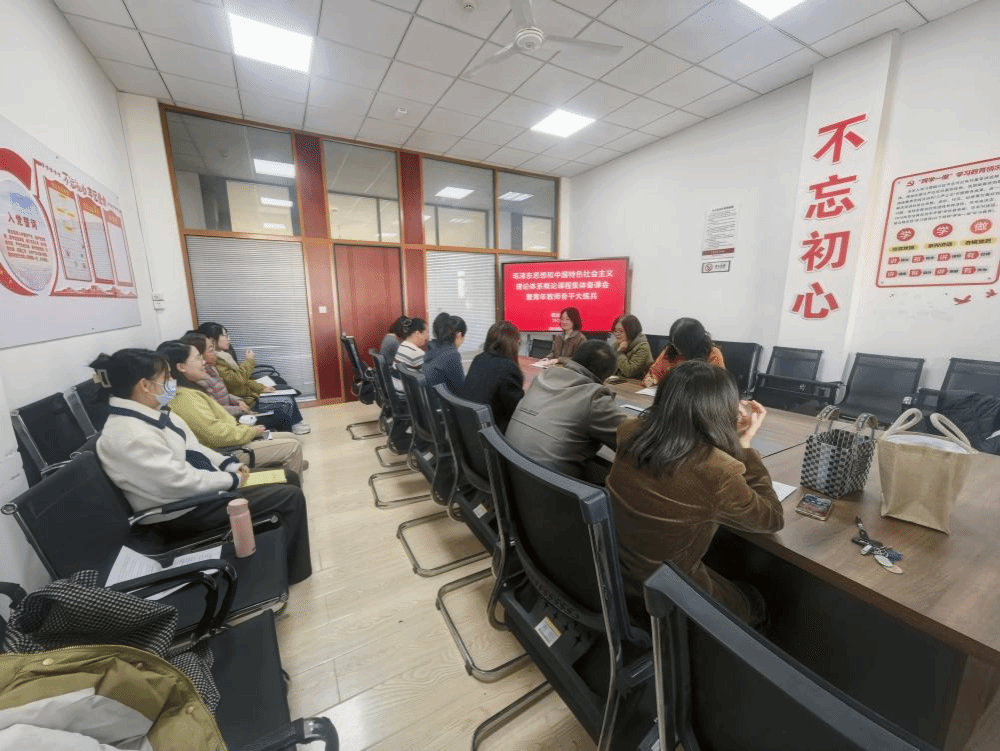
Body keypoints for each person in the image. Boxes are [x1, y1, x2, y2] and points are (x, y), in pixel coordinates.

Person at [90, 348, 312, 584]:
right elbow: (180, 482)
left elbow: (194, 447)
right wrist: (232, 480)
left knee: (286, 476)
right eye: (167, 377)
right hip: (183, 512)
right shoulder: (129, 434)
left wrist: (228, 464)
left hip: (201, 490)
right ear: (145, 385)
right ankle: (292, 574)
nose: (173, 382)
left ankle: (277, 556)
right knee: (289, 497)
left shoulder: (154, 413)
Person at [607, 360, 782, 626]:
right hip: (667, 593)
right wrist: (745, 446)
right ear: (722, 409)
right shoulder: (718, 470)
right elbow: (771, 519)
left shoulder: (629, 431)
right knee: (754, 601)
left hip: (616, 572)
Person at [156, 340, 306, 478]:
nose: (203, 362)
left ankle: (290, 468)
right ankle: (289, 480)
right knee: (292, 446)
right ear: (181, 367)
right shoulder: (185, 398)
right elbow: (216, 435)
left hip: (235, 435)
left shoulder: (192, 389)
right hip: (229, 449)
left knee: (292, 438)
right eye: (198, 358)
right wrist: (250, 431)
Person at [506, 340, 628, 480]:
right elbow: (635, 441)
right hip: (548, 487)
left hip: (509, 478)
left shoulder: (542, 377)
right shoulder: (593, 396)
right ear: (605, 376)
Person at [197, 322, 310, 435]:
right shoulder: (215, 364)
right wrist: (250, 361)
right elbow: (239, 381)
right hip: (245, 403)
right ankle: (291, 428)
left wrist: (261, 388)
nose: (229, 339)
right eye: (225, 335)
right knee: (285, 400)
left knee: (284, 391)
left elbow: (240, 382)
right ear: (212, 340)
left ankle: (295, 424)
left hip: (245, 399)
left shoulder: (223, 358)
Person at [461, 321, 525, 432]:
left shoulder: (479, 359)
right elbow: (517, 411)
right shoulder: (507, 367)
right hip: (491, 434)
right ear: (513, 344)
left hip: (469, 430)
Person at [643, 317, 725, 388]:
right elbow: (655, 373)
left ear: (692, 343)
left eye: (680, 345)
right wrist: (651, 380)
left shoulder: (712, 353)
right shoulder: (670, 350)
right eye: (673, 343)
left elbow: (718, 385)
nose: (676, 348)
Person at [422, 315, 466, 393]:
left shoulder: (432, 346)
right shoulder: (451, 354)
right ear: (458, 335)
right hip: (442, 399)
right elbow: (461, 388)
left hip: (431, 396)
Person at [611, 314, 652, 379]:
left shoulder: (643, 346)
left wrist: (619, 353)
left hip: (637, 383)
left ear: (631, 331)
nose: (616, 334)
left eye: (621, 331)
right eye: (615, 331)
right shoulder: (616, 345)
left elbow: (629, 372)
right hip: (619, 381)